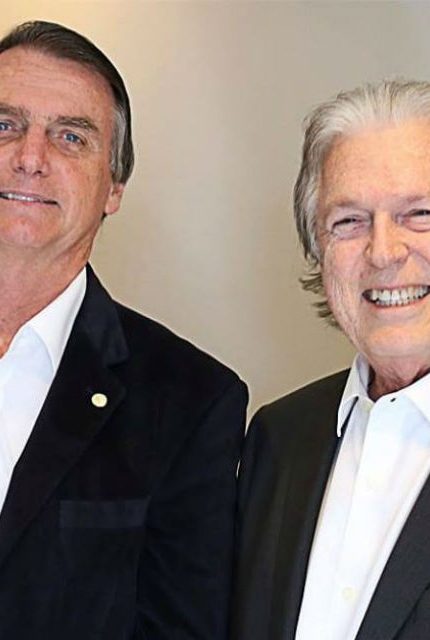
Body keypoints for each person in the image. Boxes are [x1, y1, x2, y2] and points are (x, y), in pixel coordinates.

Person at [0, 20, 247, 639]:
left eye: (71, 137)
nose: (29, 157)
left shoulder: (191, 402)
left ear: (113, 187)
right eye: (4, 125)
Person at [232, 79, 430, 640]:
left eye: (419, 213)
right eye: (349, 221)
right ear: (317, 251)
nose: (384, 252)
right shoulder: (277, 438)